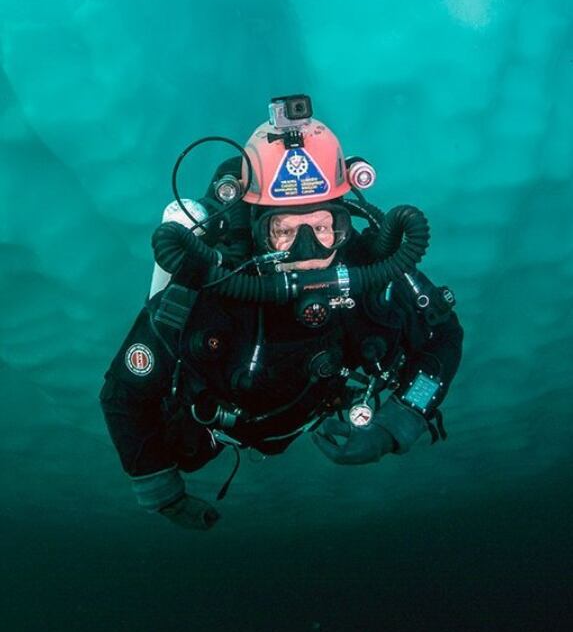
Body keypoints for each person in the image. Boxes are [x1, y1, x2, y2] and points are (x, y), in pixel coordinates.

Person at [99, 94, 464, 530]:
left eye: (325, 227)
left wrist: (400, 421)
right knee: (187, 450)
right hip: (223, 426)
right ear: (257, 230)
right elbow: (123, 392)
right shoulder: (211, 286)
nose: (309, 252)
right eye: (285, 231)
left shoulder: (371, 271)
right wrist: (161, 492)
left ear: (344, 224)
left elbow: (443, 338)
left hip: (319, 407)